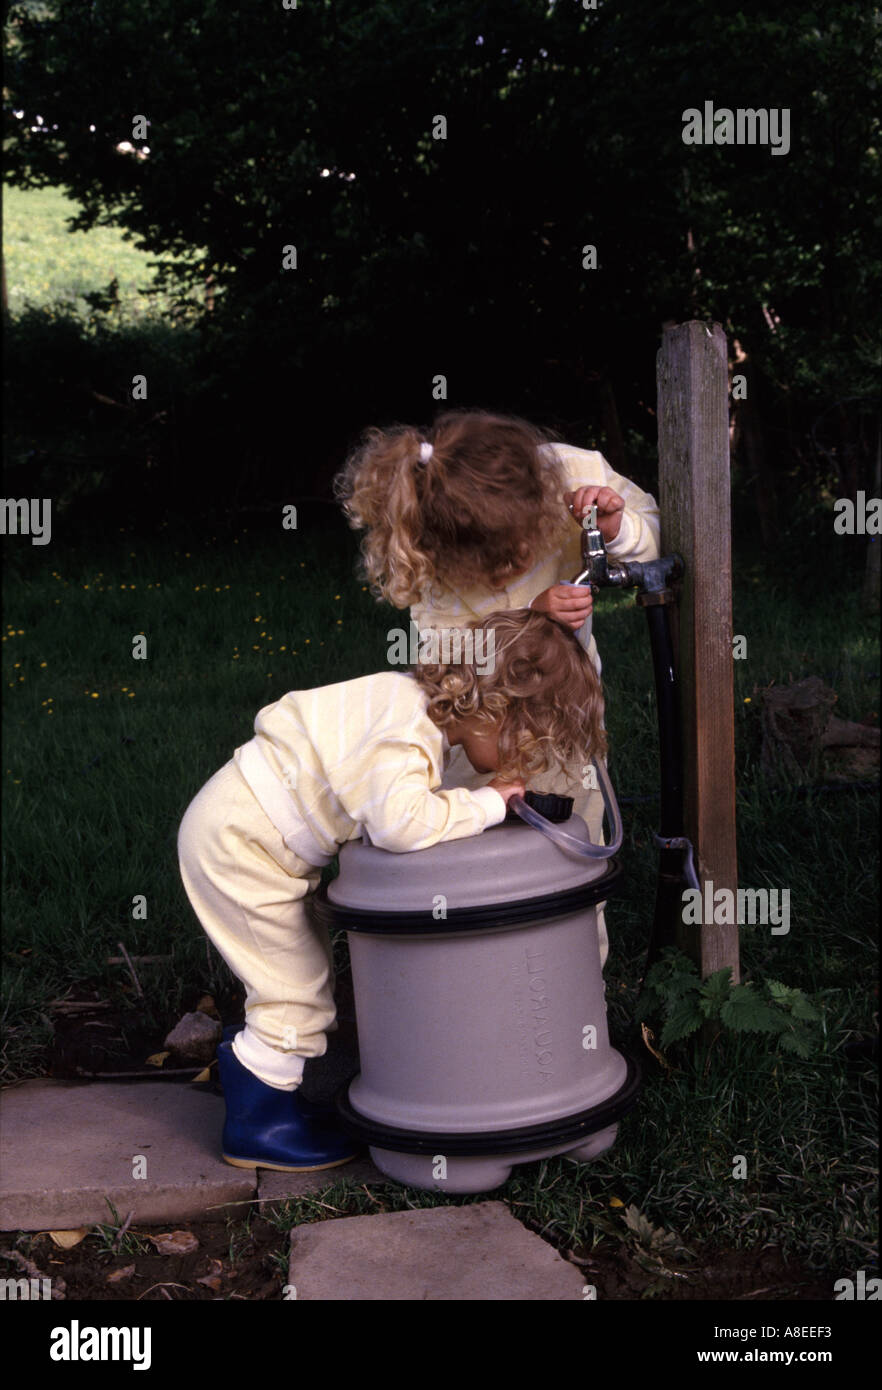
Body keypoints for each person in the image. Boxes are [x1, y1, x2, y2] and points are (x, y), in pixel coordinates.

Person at [177, 608, 605, 1172]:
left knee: (299, 976)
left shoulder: (407, 708)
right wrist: (487, 802)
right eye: (525, 744)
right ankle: (258, 1123)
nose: (522, 763)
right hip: (239, 848)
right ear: (493, 706)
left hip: (247, 836)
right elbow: (401, 826)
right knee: (295, 990)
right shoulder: (404, 731)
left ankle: (267, 1082)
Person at [335, 408, 660, 966]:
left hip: (560, 722)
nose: (511, 566)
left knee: (570, 848)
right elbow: (445, 662)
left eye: (518, 552)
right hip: (474, 731)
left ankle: (576, 983)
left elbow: (654, 539)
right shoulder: (430, 554)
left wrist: (614, 528)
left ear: (539, 502)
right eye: (493, 563)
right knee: (471, 851)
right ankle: (476, 973)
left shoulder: (571, 472)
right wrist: (530, 615)